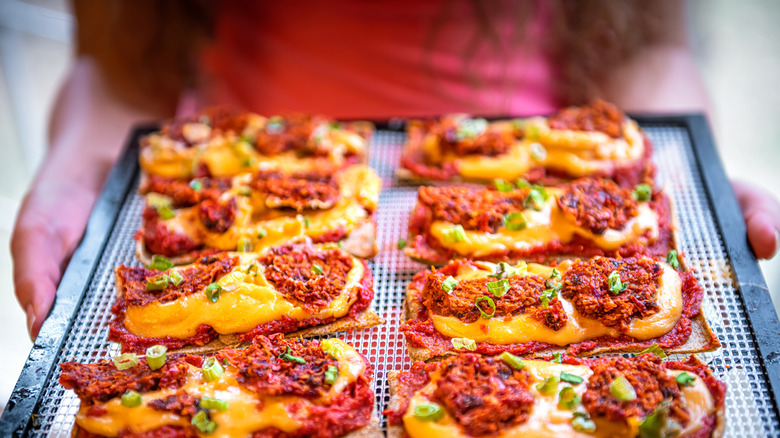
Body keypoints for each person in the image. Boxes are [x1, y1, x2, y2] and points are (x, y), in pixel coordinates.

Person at [11, 0, 780, 339]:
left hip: (547, 163)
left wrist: (675, 163)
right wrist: (83, 165)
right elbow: (118, 65)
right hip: (231, 180)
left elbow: (649, 41)